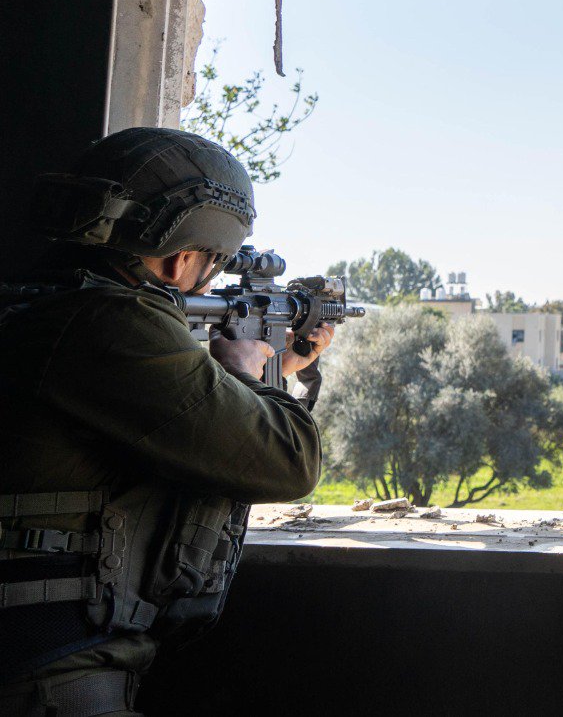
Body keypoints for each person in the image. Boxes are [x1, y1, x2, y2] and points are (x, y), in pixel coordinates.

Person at [0, 128, 331, 717]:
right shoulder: (110, 324)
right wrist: (249, 375)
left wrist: (270, 366)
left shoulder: (43, 302)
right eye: (214, 262)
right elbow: (288, 462)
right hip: (50, 669)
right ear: (182, 257)